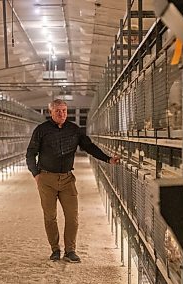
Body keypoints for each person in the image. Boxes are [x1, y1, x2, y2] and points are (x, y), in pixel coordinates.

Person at [26, 99, 119, 263]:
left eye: (64, 110)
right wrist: (36, 174)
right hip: (46, 178)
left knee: (72, 217)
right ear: (51, 112)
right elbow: (30, 153)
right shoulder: (42, 130)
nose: (61, 113)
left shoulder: (74, 130)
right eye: (57, 111)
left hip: (68, 179)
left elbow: (89, 147)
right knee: (50, 217)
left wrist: (108, 159)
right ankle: (55, 250)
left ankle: (70, 251)